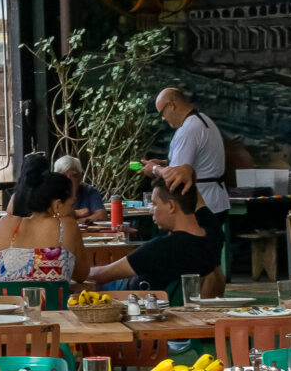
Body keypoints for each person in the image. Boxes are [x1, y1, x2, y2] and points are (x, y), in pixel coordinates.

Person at [152, 88, 231, 290]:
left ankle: (200, 308)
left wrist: (153, 169)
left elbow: (176, 175)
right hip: (216, 200)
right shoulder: (204, 121)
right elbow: (189, 165)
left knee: (202, 266)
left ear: (172, 105)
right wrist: (162, 163)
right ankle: (213, 304)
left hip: (201, 203)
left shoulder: (188, 130)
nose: (163, 118)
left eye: (162, 112)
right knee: (213, 263)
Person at [87, 178, 214, 291]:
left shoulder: (160, 249)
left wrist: (73, 272)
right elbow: (199, 202)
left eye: (154, 204)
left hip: (130, 298)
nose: (150, 210)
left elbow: (102, 275)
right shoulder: (213, 235)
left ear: (171, 206)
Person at [0, 155, 85, 284]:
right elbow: (81, 275)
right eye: (71, 205)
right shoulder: (68, 226)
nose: (73, 211)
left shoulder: (5, 225)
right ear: (57, 205)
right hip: (54, 304)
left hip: (13, 303)